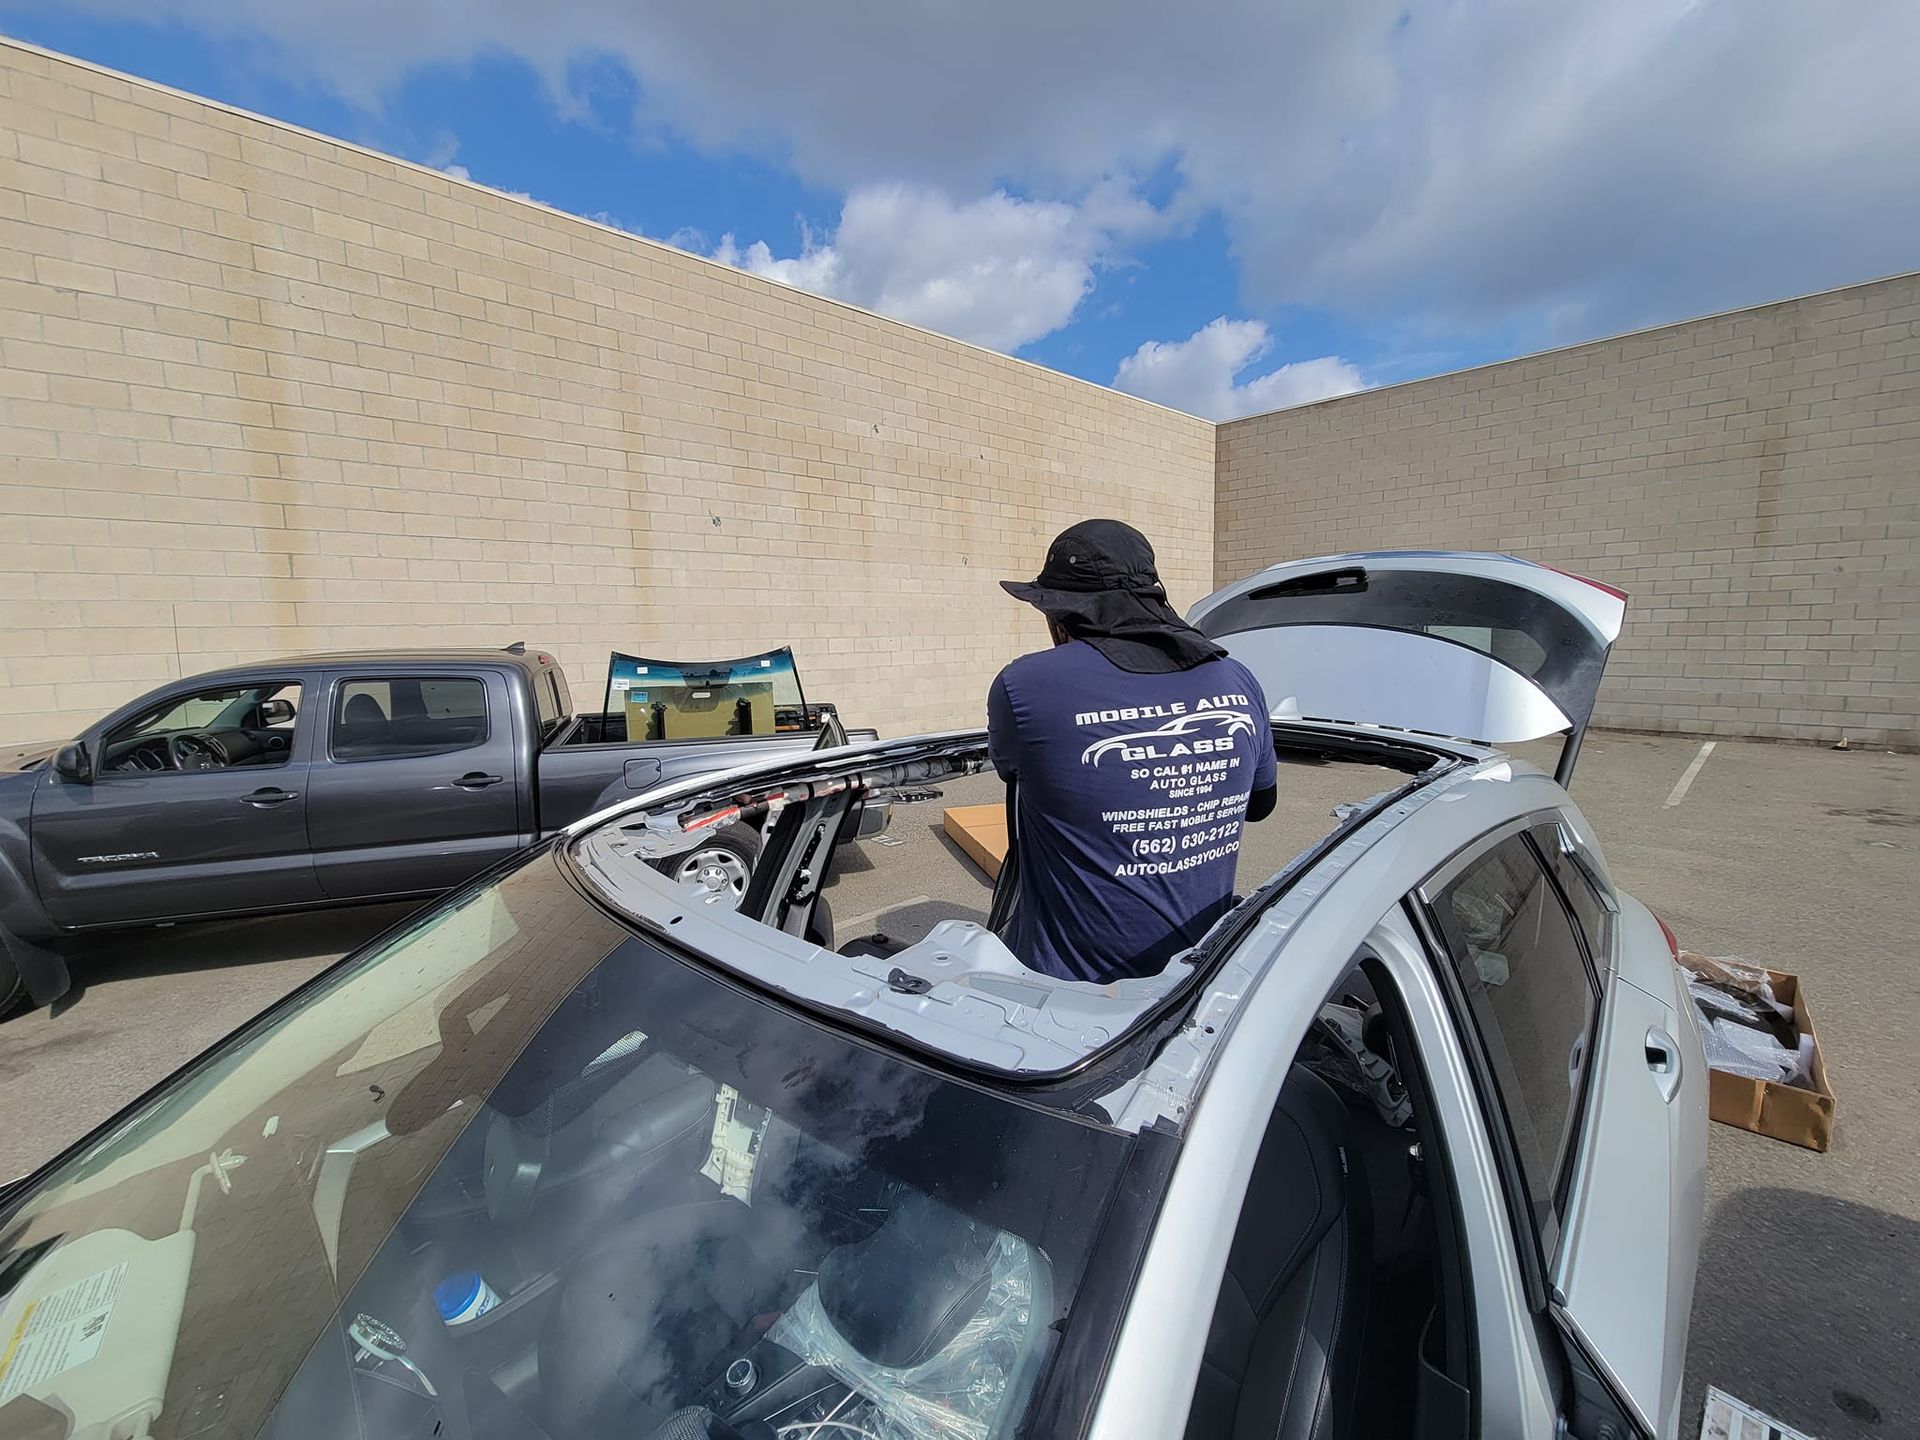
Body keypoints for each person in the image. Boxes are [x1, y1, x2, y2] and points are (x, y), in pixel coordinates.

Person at [988, 519, 1277, 983]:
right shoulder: (1237, 678)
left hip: (1062, 988)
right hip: (1198, 974)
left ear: (1058, 615)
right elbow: (1260, 805)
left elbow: (1017, 774)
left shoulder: (1025, 685)